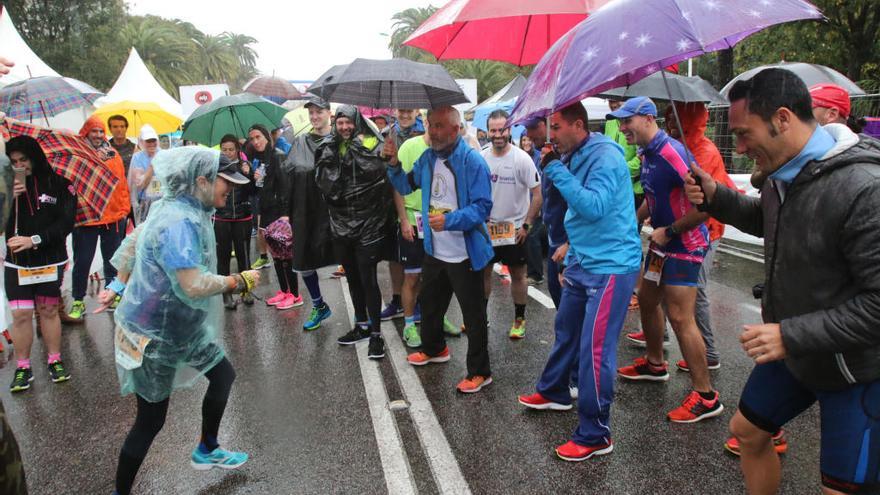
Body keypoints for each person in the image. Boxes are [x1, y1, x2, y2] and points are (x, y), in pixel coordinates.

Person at [686, 67, 880, 495]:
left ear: (783, 119)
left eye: (743, 133)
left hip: (855, 371)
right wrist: (717, 196)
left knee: (840, 489)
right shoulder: (784, 170)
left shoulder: (865, 188)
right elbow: (765, 220)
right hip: (795, 354)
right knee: (748, 432)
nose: (738, 146)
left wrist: (789, 335)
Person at [101, 148, 257, 495]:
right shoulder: (179, 220)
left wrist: (117, 284)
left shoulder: (184, 208)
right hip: (153, 333)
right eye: (224, 182)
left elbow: (133, 241)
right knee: (150, 421)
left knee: (222, 375)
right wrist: (237, 281)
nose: (229, 190)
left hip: (181, 324)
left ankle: (208, 448)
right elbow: (193, 283)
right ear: (200, 181)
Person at [517, 101, 641, 462]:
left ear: (578, 125)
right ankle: (554, 389)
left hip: (612, 266)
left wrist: (556, 170)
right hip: (582, 261)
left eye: (555, 128)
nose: (549, 136)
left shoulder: (605, 155)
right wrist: (568, 253)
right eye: (549, 129)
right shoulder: (571, 153)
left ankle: (595, 433)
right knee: (566, 330)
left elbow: (594, 206)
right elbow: (573, 215)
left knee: (595, 349)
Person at [610, 97, 724, 423]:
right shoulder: (647, 154)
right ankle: (654, 363)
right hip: (662, 244)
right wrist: (634, 220)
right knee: (647, 299)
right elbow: (654, 196)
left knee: (680, 316)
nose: (621, 128)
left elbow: (705, 207)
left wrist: (670, 230)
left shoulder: (673, 153)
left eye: (626, 120)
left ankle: (705, 395)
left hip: (684, 245)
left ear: (647, 118)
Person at [386, 106, 495, 394]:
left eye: (439, 126)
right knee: (430, 304)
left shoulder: (472, 161)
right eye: (430, 125)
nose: (432, 132)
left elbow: (483, 208)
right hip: (436, 249)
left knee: (473, 316)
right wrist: (394, 164)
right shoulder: (427, 158)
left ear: (456, 130)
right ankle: (435, 349)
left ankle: (480, 372)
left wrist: (450, 220)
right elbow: (405, 185)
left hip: (465, 252)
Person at [315, 105, 395, 360]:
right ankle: (360, 325)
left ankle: (375, 335)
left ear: (356, 122)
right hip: (341, 224)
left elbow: (377, 173)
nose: (345, 127)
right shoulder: (327, 146)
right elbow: (326, 183)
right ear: (335, 124)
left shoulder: (371, 141)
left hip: (368, 224)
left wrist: (379, 154)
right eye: (340, 123)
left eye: (349, 122)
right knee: (352, 277)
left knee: (368, 278)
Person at [663, 102, 736, 371]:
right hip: (683, 229)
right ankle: (659, 334)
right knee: (661, 282)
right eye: (668, 118)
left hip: (706, 231)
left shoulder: (703, 151)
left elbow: (702, 205)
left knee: (698, 290)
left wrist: (671, 228)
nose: (670, 124)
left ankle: (709, 353)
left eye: (676, 119)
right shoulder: (680, 147)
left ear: (690, 121)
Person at [5, 136, 76, 393]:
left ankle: (54, 360)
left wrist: (34, 240)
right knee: (21, 315)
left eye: (24, 160)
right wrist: (7, 199)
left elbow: (66, 224)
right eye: (14, 161)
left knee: (47, 311)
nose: (20, 165)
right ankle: (23, 367)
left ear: (35, 157)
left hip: (49, 260)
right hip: (16, 264)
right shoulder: (5, 186)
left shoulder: (60, 184)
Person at [481, 109, 542, 339]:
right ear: (487, 131)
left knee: (518, 275)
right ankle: (481, 317)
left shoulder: (521, 158)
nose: (498, 134)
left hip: (514, 230)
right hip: (489, 228)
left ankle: (519, 319)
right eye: (494, 130)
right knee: (483, 274)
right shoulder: (481, 156)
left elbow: (538, 194)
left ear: (510, 130)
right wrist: (481, 222)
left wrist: (526, 225)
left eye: (502, 129)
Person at [67, 116, 132, 319]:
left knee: (112, 260)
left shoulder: (112, 154)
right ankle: (78, 300)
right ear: (86, 132)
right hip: (86, 218)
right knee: (83, 261)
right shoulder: (76, 153)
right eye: (93, 131)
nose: (97, 135)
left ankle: (113, 294)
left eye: (100, 131)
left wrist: (124, 210)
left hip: (112, 216)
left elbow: (121, 184)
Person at [284, 94, 335, 331]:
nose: (315, 116)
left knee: (352, 262)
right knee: (304, 261)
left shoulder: (339, 140)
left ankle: (362, 313)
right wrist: (286, 213)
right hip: (306, 210)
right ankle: (319, 304)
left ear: (329, 113)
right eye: (311, 112)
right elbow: (289, 178)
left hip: (336, 212)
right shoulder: (300, 141)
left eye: (319, 111)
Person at [379, 108, 425, 322]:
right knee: (394, 256)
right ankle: (398, 300)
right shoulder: (386, 133)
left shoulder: (426, 131)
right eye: (401, 111)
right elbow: (377, 164)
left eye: (409, 111)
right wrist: (383, 156)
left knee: (423, 260)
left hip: (415, 200)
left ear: (417, 112)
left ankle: (419, 302)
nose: (405, 115)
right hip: (389, 202)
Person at [248, 124, 301, 310]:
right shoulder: (259, 160)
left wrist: (286, 215)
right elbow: (258, 190)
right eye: (252, 139)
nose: (255, 141)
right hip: (267, 211)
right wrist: (254, 179)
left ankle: (295, 294)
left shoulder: (277, 156)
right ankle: (284, 290)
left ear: (266, 137)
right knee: (276, 257)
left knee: (286, 256)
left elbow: (285, 187)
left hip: (280, 213)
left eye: (258, 137)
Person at [215, 135, 256, 309]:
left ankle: (247, 290)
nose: (228, 152)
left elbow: (254, 191)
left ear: (237, 150)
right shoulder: (214, 168)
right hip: (221, 217)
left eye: (231, 149)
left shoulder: (244, 166)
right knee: (223, 256)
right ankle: (226, 295)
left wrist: (250, 174)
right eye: (224, 149)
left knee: (244, 255)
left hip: (242, 216)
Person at [128, 125, 163, 224]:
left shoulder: (164, 154)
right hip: (145, 203)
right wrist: (152, 166)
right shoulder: (137, 157)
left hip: (162, 203)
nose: (152, 144)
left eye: (154, 140)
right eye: (148, 141)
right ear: (142, 142)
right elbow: (140, 184)